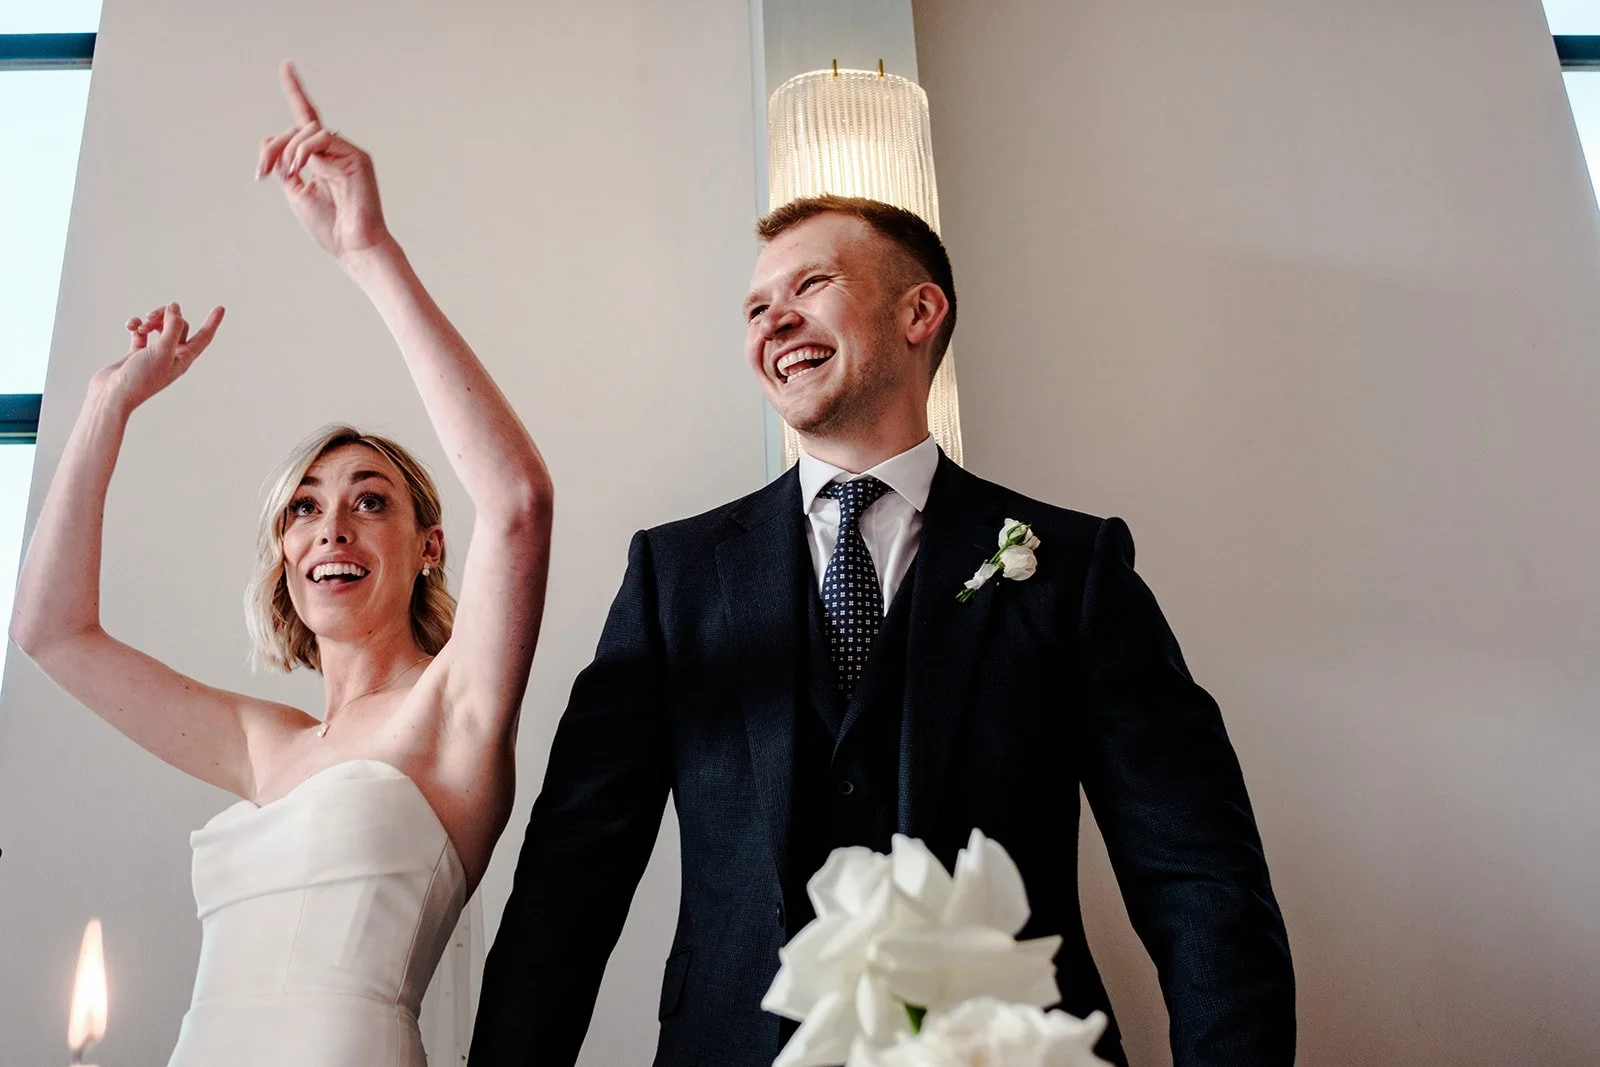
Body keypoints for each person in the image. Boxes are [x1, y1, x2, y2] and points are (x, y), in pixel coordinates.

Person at [470, 195, 1295, 1066]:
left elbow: (1199, 874)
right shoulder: (673, 578)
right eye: (755, 308)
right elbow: (571, 883)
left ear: (919, 311)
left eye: (811, 284)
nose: (774, 319)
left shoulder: (1072, 567)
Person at [8, 62, 552, 1067]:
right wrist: (104, 404)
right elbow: (50, 632)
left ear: (427, 544)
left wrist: (367, 251)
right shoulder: (268, 745)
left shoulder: (453, 712)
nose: (330, 527)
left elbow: (517, 504)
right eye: (304, 508)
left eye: (368, 500)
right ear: (285, 557)